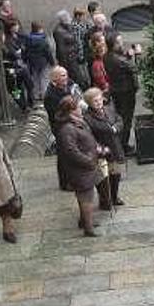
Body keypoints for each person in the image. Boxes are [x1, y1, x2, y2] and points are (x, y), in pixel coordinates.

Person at [55, 96, 107, 237]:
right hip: (80, 169)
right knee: (86, 198)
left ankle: (85, 221)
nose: (80, 109)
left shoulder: (78, 122)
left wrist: (97, 149)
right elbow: (71, 151)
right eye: (78, 107)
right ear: (71, 111)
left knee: (86, 196)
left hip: (88, 166)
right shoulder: (67, 129)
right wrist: (88, 161)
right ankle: (88, 228)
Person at [82, 87, 125, 212]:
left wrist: (115, 128)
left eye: (100, 99)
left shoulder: (109, 109)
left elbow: (119, 119)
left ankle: (115, 196)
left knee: (116, 174)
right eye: (95, 101)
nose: (99, 102)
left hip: (115, 148)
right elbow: (89, 136)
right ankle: (105, 200)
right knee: (103, 178)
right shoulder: (87, 118)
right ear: (89, 103)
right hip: (102, 152)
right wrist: (99, 148)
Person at [104, 33, 138, 155]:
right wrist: (134, 55)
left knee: (120, 117)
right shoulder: (117, 59)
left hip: (117, 90)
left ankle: (121, 144)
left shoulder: (107, 56)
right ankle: (124, 146)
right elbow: (134, 68)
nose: (121, 44)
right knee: (126, 118)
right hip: (125, 91)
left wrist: (127, 54)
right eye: (119, 42)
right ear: (113, 45)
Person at [0, 136, 18, 243]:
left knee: (6, 208)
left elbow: (6, 160)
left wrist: (11, 175)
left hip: (1, 181)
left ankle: (8, 231)